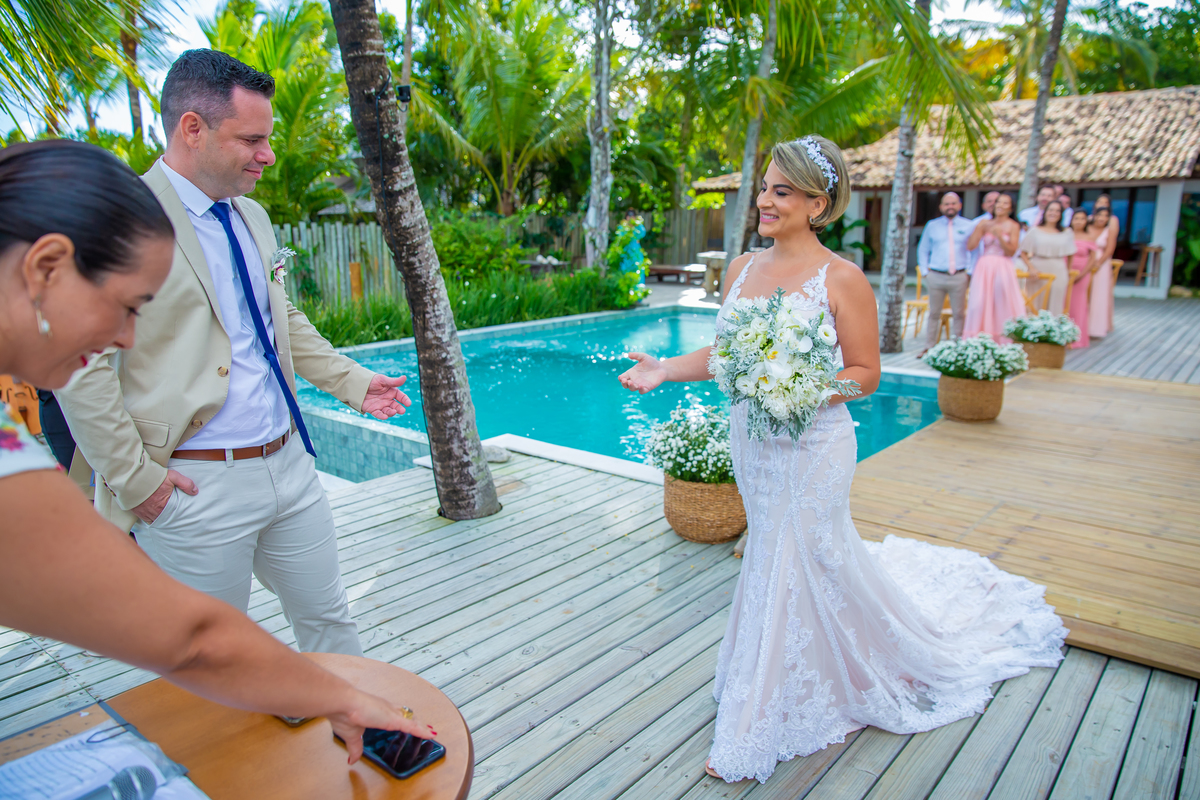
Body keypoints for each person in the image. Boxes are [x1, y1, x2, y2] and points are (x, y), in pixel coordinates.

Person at [617, 135, 1067, 785]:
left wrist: (798, 386)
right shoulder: (742, 268)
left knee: (787, 556)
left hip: (815, 447)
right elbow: (723, 359)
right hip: (755, 441)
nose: (765, 201)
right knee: (797, 556)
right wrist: (665, 369)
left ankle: (754, 723)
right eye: (765, 188)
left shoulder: (842, 277)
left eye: (781, 191)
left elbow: (866, 373)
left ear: (818, 204)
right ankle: (812, 672)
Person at [0, 140, 432, 765]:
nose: (126, 337)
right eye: (127, 308)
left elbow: (191, 638)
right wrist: (138, 482)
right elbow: (190, 640)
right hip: (194, 481)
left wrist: (337, 697)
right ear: (46, 268)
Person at [57, 50, 412, 656]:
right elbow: (79, 366)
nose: (268, 155)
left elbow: (277, 319)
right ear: (192, 129)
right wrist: (139, 483)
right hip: (194, 483)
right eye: (252, 139)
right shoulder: (114, 222)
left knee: (331, 621)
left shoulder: (251, 215)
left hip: (291, 467)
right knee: (212, 657)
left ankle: (358, 739)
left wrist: (352, 381)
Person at [915, 192, 976, 355]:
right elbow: (923, 249)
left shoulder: (969, 226)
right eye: (947, 204)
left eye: (953, 203)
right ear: (941, 207)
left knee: (959, 313)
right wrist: (925, 271)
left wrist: (969, 272)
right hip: (936, 275)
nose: (950, 206)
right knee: (934, 313)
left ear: (959, 205)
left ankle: (958, 347)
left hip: (959, 276)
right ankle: (929, 347)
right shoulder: (932, 225)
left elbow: (973, 250)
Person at [964, 193, 1026, 341]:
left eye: (1005, 203)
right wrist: (980, 229)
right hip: (984, 266)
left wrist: (999, 235)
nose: (1000, 206)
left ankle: (1002, 337)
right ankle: (978, 336)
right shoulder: (985, 223)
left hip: (1002, 265)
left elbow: (1011, 251)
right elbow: (971, 246)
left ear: (1011, 207)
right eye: (998, 202)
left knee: (1001, 301)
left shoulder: (1013, 226)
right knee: (978, 302)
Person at [1020, 200, 1075, 315]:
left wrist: (1068, 271)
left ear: (1061, 214)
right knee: (1035, 303)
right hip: (1038, 269)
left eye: (1057, 211)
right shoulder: (1034, 230)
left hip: (1058, 269)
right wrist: (1031, 268)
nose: (1053, 213)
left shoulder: (1067, 232)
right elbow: (1023, 252)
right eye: (1051, 210)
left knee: (1055, 303)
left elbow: (1070, 254)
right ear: (1045, 212)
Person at [1068, 209, 1100, 349]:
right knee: (1065, 302)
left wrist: (1081, 274)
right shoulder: (1066, 235)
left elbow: (1093, 259)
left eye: (1082, 219)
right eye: (1076, 218)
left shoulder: (1089, 237)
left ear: (1086, 221)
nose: (1079, 221)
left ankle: (1077, 337)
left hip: (1082, 274)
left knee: (1078, 304)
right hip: (1066, 273)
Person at [1087, 205, 1116, 338]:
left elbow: (1110, 249)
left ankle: (1096, 328)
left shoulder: (1108, 230)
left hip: (1101, 265)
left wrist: (1098, 263)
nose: (1102, 218)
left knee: (1098, 295)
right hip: (1086, 262)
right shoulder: (1088, 228)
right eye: (1100, 215)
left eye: (1105, 216)